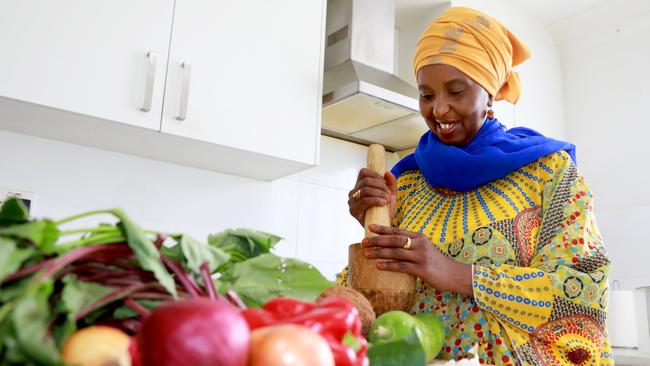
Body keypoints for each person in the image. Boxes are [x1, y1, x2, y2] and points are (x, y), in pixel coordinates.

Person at [340, 7, 612, 366]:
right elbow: (373, 305)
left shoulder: (549, 170)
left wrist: (457, 273)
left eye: (456, 91)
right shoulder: (406, 182)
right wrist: (374, 231)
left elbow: (585, 292)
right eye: (426, 95)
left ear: (491, 93)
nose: (439, 109)